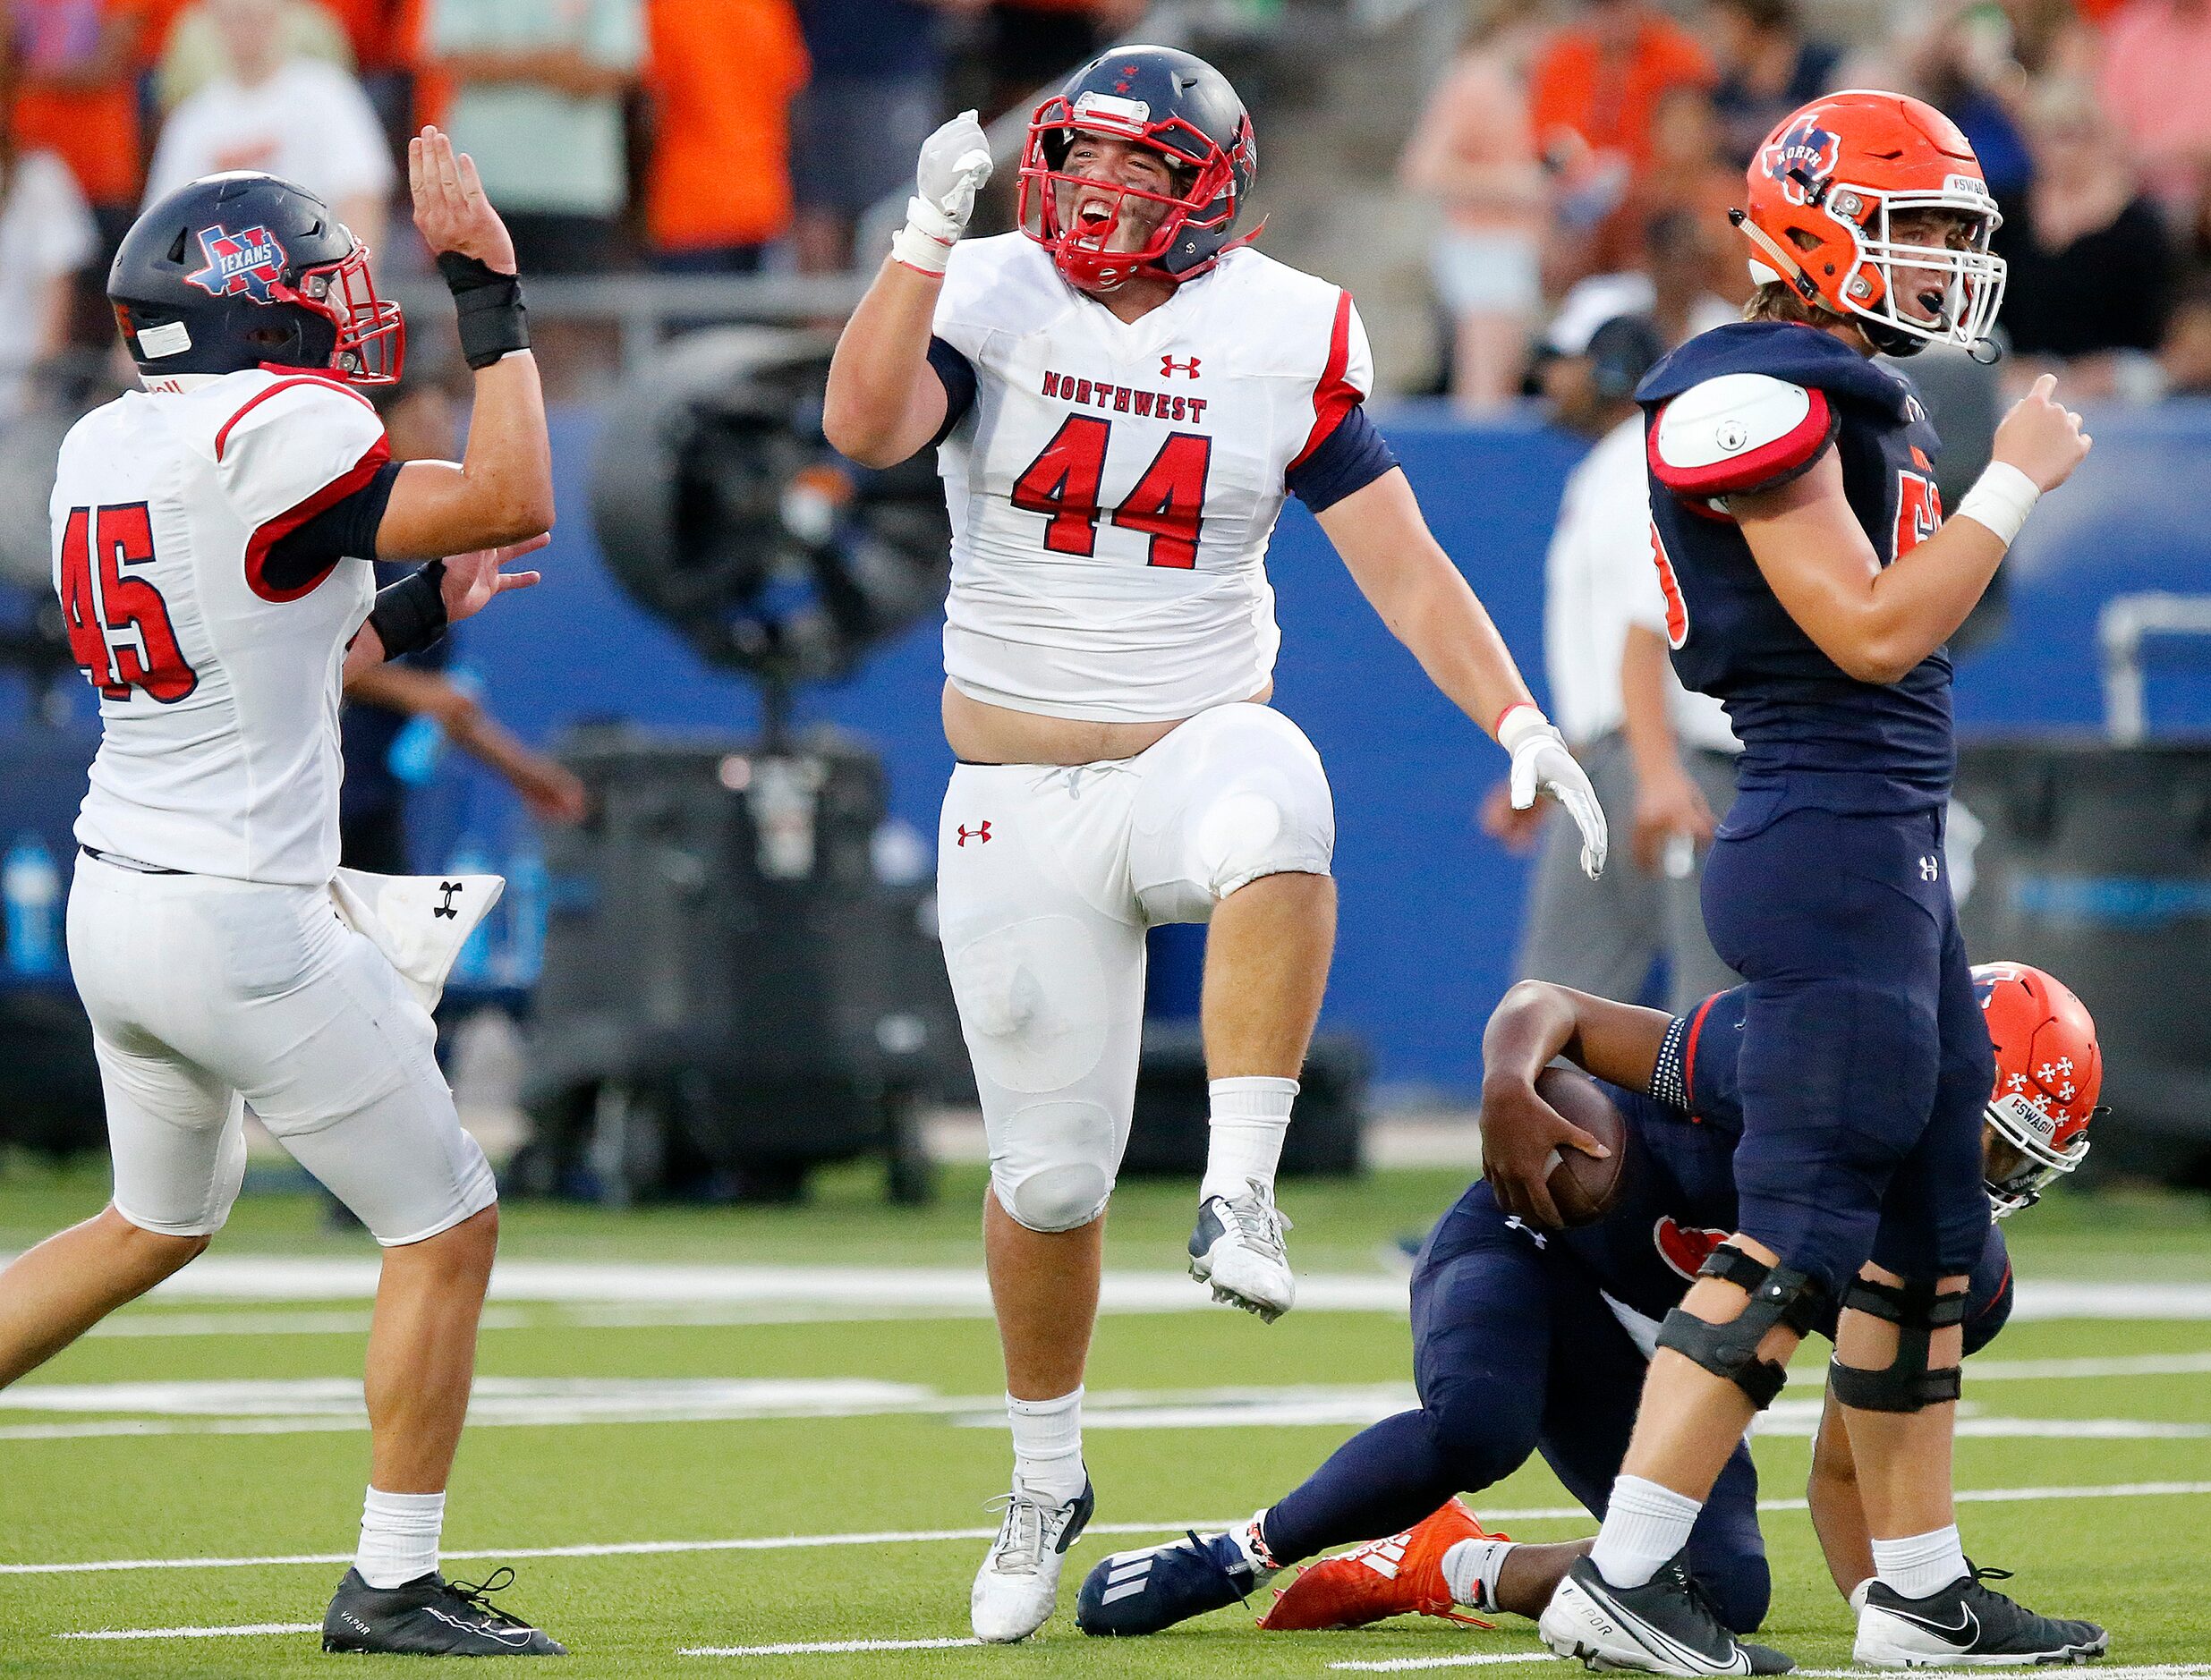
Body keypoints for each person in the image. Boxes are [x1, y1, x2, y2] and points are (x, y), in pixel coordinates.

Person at [822, 47, 1607, 1645]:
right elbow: (863, 424)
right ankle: (1045, 1474)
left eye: (1144, 170)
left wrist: (1519, 719)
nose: (1103, 195)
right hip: (1016, 788)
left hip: (1189, 748)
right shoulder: (984, 285)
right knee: (1045, 1184)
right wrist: (917, 237)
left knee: (1281, 784)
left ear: (1215, 191)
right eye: (1084, 162)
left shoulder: (1285, 323)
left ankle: (1241, 1188)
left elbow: (1398, 562)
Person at [1531, 90, 2102, 1673]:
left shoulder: (1842, 383)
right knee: (1793, 1232)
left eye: (1951, 238)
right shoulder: (1742, 386)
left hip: (1882, 839)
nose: (1939, 267)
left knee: (1921, 1235)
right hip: (1821, 832)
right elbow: (1863, 629)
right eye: (1913, 228)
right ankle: (1626, 1568)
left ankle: (1914, 1589)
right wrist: (2013, 487)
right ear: (1806, 218)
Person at [13, 134, 563, 1655]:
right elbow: (517, 492)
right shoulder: (286, 427)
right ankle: (391, 1579)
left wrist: (399, 601)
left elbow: (282, 646)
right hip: (236, 917)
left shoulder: (105, 445)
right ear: (257, 303)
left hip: (119, 893)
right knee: (445, 1223)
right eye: (319, 284)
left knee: (147, 1222)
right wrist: (488, 286)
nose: (343, 307)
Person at [1069, 961, 2101, 1639]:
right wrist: (1507, 1080)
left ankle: (1443, 1564)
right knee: (1478, 1424)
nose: (1988, 1178)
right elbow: (1545, 1005)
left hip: (1650, 1359)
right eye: (1986, 1138)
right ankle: (1237, 1552)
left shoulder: (1956, 1269)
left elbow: (1848, 1464)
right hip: (1528, 1245)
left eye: (2017, 1159)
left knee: (1720, 1593)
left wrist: (1892, 1611)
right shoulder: (1775, 1059)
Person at [1483, 310, 1739, 1014]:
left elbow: (1643, 630)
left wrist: (1656, 773)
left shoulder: (1642, 460)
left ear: (1611, 371)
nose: (1548, 379)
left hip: (1659, 760)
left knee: (1687, 1011)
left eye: (1563, 361)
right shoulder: (1611, 465)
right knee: (1559, 1007)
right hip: (1620, 759)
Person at [342, 366, 587, 874]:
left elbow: (446, 702)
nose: (442, 435)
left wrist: (527, 775)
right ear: (379, 431)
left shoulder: (429, 549)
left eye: (445, 420)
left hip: (371, 799)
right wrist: (412, 693)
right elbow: (309, 658)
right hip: (315, 798)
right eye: (421, 421)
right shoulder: (349, 539)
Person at [142, 0, 395, 254]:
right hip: (223, 280)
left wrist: (349, 279)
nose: (246, 30)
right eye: (235, 18)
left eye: (255, 17)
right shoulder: (193, 119)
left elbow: (360, 191)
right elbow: (164, 225)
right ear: (215, 23)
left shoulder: (326, 94)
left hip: (313, 274)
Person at [1396, 0, 1551, 410]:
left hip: (1506, 245)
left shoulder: (1509, 82)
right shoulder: (1477, 80)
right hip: (1482, 246)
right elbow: (1424, 168)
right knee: (1484, 384)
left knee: (1503, 378)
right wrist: (1514, 184)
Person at [425, 0, 643, 273]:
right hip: (481, 185)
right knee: (477, 307)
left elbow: (618, 69)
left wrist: (505, 63)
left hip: (575, 191)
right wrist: (554, 62)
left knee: (567, 309)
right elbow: (454, 59)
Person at [1994, 78, 2175, 399]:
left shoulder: (2139, 226)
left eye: (2070, 135)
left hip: (2117, 371)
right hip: (2025, 371)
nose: (2058, 150)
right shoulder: (2007, 217)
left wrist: (2095, 373)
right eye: (2045, 136)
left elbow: (2159, 328)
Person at [792, 0, 963, 276]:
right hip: (810, 74)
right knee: (819, 218)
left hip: (895, 78)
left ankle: (889, 317)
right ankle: (827, 319)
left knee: (901, 223)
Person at [642, 0, 812, 274]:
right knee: (752, 316)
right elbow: (790, 96)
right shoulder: (766, 9)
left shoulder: (666, 8)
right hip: (761, 199)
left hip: (689, 206)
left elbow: (651, 105)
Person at [1705, 0, 1839, 168]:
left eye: (1719, 24)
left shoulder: (1828, 72)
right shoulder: (1721, 91)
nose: (1710, 34)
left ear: (1747, 21)